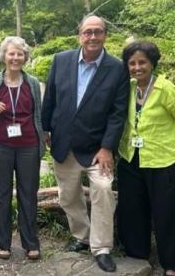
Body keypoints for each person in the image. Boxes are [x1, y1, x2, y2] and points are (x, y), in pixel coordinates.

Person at [41, 14, 129, 273]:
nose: (92, 36)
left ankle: (101, 247)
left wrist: (107, 147)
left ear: (105, 36)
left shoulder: (117, 68)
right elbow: (51, 98)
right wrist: (45, 127)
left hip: (96, 149)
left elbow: (118, 112)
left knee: (103, 189)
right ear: (79, 34)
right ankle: (82, 236)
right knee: (68, 196)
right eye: (88, 32)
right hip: (63, 143)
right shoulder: (61, 60)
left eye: (98, 32)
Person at [118, 41, 175, 276]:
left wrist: (165, 139)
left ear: (152, 63)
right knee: (132, 209)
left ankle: (173, 265)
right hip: (132, 159)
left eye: (142, 62)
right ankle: (137, 254)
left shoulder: (166, 89)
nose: (137, 67)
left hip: (167, 160)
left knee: (169, 214)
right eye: (131, 63)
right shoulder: (128, 89)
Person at [0, 36, 45, 260]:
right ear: (4, 56)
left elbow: (39, 114)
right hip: (0, 145)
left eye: (19, 54)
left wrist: (44, 139)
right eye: (11, 53)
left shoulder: (33, 83)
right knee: (1, 194)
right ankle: (3, 242)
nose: (15, 57)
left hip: (28, 145)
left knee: (28, 194)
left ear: (25, 57)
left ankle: (30, 243)